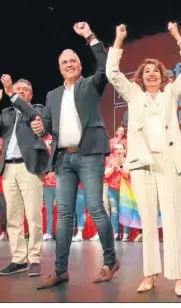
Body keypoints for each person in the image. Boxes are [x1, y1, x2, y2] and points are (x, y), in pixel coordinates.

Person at [105, 22, 181, 296]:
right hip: (143, 165)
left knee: (173, 220)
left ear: (163, 76)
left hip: (168, 163)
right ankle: (149, 274)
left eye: (155, 71)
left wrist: (179, 38)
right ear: (141, 78)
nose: (151, 75)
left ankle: (179, 276)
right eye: (147, 72)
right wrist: (119, 41)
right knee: (147, 221)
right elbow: (112, 73)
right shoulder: (133, 95)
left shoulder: (171, 92)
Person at [28, 22, 119, 289]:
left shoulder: (91, 84)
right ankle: (60, 270)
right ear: (59, 68)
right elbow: (44, 123)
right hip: (64, 160)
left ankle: (110, 260)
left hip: (90, 155)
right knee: (64, 215)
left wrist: (89, 37)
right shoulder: (52, 95)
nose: (69, 64)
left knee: (96, 208)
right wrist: (39, 126)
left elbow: (105, 65)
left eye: (73, 60)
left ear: (80, 65)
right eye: (64, 62)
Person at [0, 76, 49, 277]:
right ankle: (18, 259)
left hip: (28, 167)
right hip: (9, 169)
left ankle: (35, 258)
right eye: (17, 89)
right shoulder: (7, 113)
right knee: (12, 218)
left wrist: (12, 94)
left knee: (33, 215)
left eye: (24, 89)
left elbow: (33, 116)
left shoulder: (37, 109)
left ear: (30, 94)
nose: (20, 91)